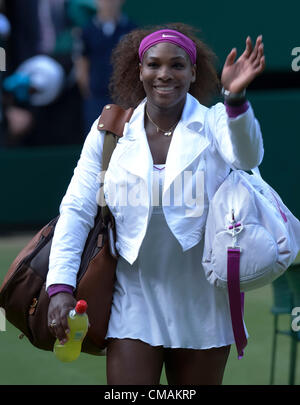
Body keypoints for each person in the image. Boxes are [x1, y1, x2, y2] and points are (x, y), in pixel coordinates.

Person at [46, 23, 265, 385]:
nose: (165, 74)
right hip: (133, 299)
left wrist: (236, 99)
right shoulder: (110, 131)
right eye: (154, 64)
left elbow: (248, 154)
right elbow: (76, 211)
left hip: (205, 302)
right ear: (140, 70)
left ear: (193, 72)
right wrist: (60, 287)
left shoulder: (215, 123)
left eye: (177, 65)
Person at [75, 0, 137, 133]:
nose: (109, 3)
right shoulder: (87, 30)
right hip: (97, 97)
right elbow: (82, 63)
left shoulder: (131, 28)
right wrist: (89, 92)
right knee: (97, 138)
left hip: (124, 97)